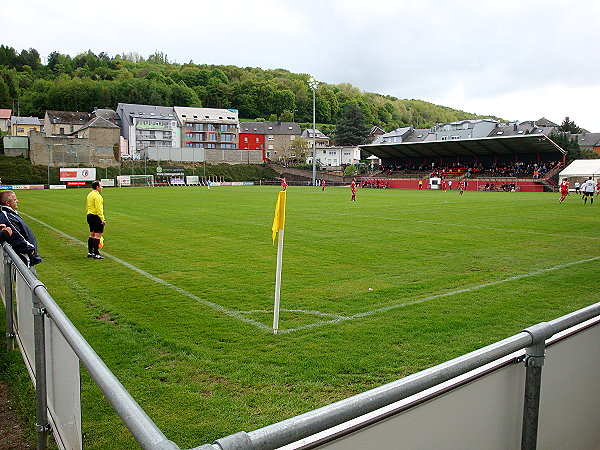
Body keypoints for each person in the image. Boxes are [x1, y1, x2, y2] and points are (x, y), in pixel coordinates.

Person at [0, 190, 43, 269]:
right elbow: (16, 235)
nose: (17, 201)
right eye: (15, 199)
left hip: (27, 257)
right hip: (25, 258)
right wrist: (30, 250)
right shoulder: (6, 215)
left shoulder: (10, 213)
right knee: (30, 279)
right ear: (7, 203)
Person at [86, 181, 106, 259]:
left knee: (92, 234)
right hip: (96, 216)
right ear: (97, 187)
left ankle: (90, 252)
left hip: (89, 215)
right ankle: (96, 253)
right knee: (98, 235)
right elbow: (99, 209)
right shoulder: (97, 196)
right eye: (101, 186)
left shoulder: (90, 194)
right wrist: (102, 219)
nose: (102, 188)